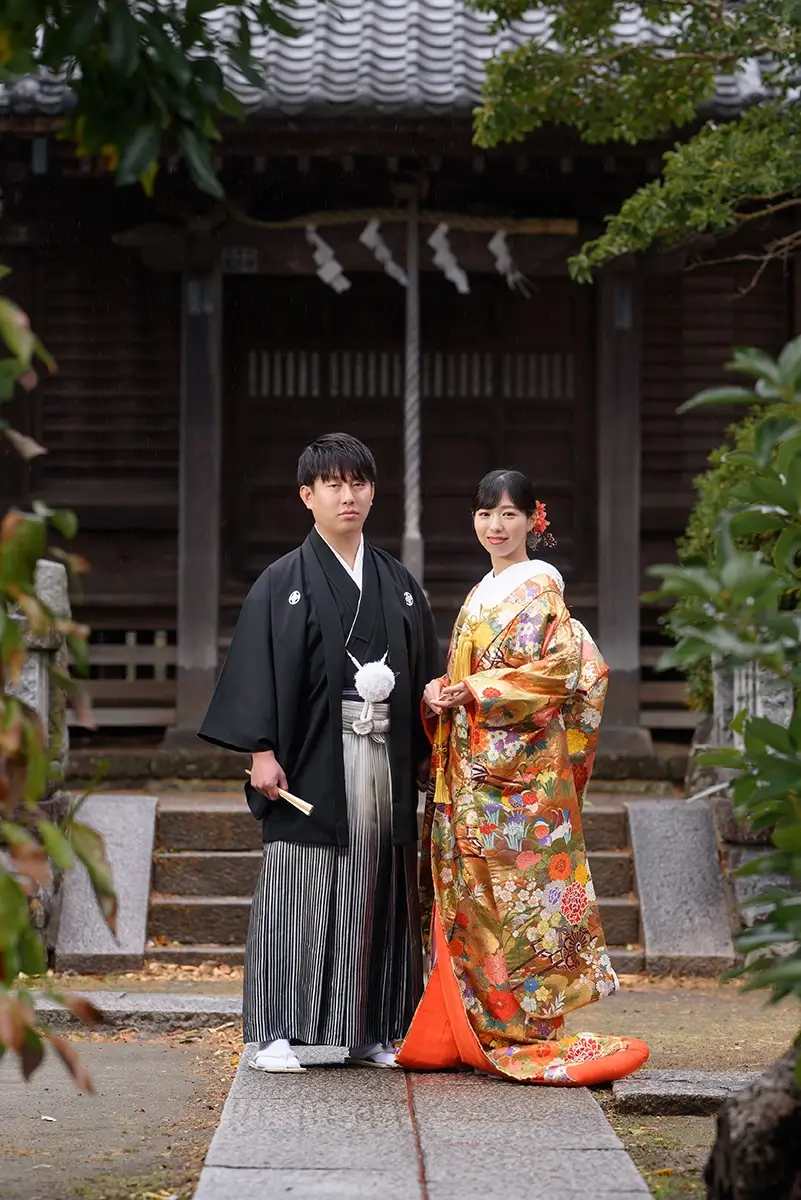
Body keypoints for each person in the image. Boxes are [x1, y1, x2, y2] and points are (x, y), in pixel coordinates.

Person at [396, 469, 649, 1084]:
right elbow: (469, 673)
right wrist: (439, 691)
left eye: (509, 514)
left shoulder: (541, 591)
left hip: (518, 783)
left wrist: (479, 690)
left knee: (518, 902)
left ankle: (522, 1029)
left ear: (534, 520)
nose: (496, 526)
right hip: (470, 771)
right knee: (472, 899)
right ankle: (473, 1026)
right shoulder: (483, 591)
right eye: (485, 514)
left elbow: (561, 674)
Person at [199, 433, 441, 1073]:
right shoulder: (281, 582)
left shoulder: (399, 584)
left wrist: (425, 749)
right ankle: (274, 1033)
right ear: (307, 496)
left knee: (378, 889)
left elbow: (424, 672)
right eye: (332, 485)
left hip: (384, 760)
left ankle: (372, 1030)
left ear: (373, 492)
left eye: (358, 483)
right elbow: (255, 671)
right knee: (295, 887)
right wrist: (260, 751)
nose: (347, 496)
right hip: (308, 760)